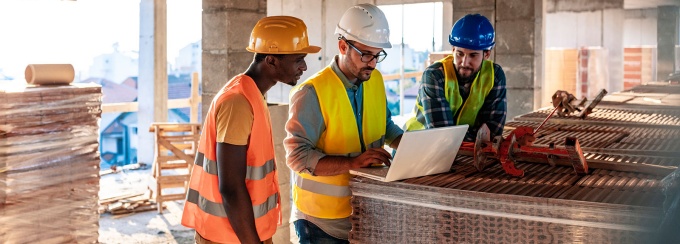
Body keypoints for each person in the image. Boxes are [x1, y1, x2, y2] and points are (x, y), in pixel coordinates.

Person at [181, 16, 320, 244]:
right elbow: (231, 188)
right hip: (226, 237)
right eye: (298, 59)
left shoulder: (253, 95)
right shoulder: (238, 102)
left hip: (244, 233)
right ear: (271, 60)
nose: (304, 66)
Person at [284, 4, 403, 243]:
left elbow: (385, 125)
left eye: (377, 55)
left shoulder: (375, 80)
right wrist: (353, 163)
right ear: (342, 46)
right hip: (320, 223)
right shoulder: (312, 92)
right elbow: (297, 157)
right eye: (366, 54)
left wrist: (410, 145)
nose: (372, 63)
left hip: (363, 211)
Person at [404, 14, 507, 141]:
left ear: (486, 54)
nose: (464, 62)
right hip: (416, 147)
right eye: (460, 54)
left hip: (459, 151)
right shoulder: (434, 75)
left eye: (473, 55)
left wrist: (482, 138)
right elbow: (442, 134)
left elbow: (493, 130)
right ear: (453, 50)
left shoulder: (494, 75)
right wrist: (479, 137)